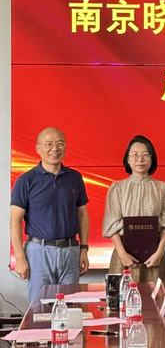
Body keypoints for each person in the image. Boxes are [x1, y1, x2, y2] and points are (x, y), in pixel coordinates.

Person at [9, 127, 90, 304]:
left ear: (65, 147)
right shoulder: (26, 180)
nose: (55, 149)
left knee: (70, 306)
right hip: (39, 251)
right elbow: (15, 221)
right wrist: (20, 258)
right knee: (39, 308)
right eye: (49, 144)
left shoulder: (75, 178)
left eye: (60, 144)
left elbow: (82, 215)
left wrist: (84, 249)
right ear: (38, 148)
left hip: (70, 250)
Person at [102, 135, 165, 282]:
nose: (140, 159)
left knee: (156, 295)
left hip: (155, 255)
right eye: (135, 155)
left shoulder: (163, 188)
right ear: (128, 159)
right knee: (123, 295)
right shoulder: (117, 188)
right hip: (124, 254)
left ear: (152, 159)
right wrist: (122, 254)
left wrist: (159, 253)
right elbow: (111, 226)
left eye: (145, 155)